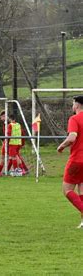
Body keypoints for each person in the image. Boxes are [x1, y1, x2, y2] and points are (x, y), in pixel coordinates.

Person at [57, 95, 83, 228]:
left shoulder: (74, 118)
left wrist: (61, 146)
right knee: (82, 189)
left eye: (73, 104)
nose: (72, 106)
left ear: (77, 105)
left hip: (78, 160)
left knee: (67, 190)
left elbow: (72, 137)